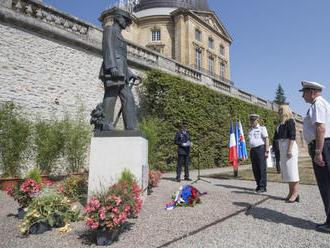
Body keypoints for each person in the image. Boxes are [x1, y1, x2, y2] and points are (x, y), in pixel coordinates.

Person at [99, 8, 141, 131]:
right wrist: (111, 67)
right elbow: (108, 48)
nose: (126, 23)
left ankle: (130, 127)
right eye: (125, 20)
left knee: (129, 98)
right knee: (111, 95)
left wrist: (130, 73)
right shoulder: (109, 30)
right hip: (113, 70)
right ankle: (106, 124)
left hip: (122, 72)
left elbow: (122, 58)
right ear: (118, 18)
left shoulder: (121, 37)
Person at [300, 80, 330, 233]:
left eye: (304, 92)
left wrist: (318, 152)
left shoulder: (317, 104)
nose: (302, 96)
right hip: (324, 145)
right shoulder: (322, 103)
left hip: (323, 146)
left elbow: (320, 128)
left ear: (312, 92)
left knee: (326, 185)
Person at [275, 104, 300, 203]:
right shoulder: (281, 123)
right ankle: (290, 192)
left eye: (280, 110)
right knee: (287, 171)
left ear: (285, 110)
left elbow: (292, 136)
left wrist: (289, 150)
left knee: (292, 170)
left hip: (289, 145)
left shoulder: (290, 121)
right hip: (282, 145)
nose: (279, 111)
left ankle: (295, 193)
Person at [247, 114, 269, 193]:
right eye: (251, 120)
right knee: (255, 168)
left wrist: (267, 151)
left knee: (261, 168)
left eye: (253, 120)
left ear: (257, 120)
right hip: (253, 150)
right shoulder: (250, 130)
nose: (252, 122)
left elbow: (266, 139)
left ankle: (263, 186)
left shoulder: (262, 128)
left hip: (260, 149)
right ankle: (258, 185)